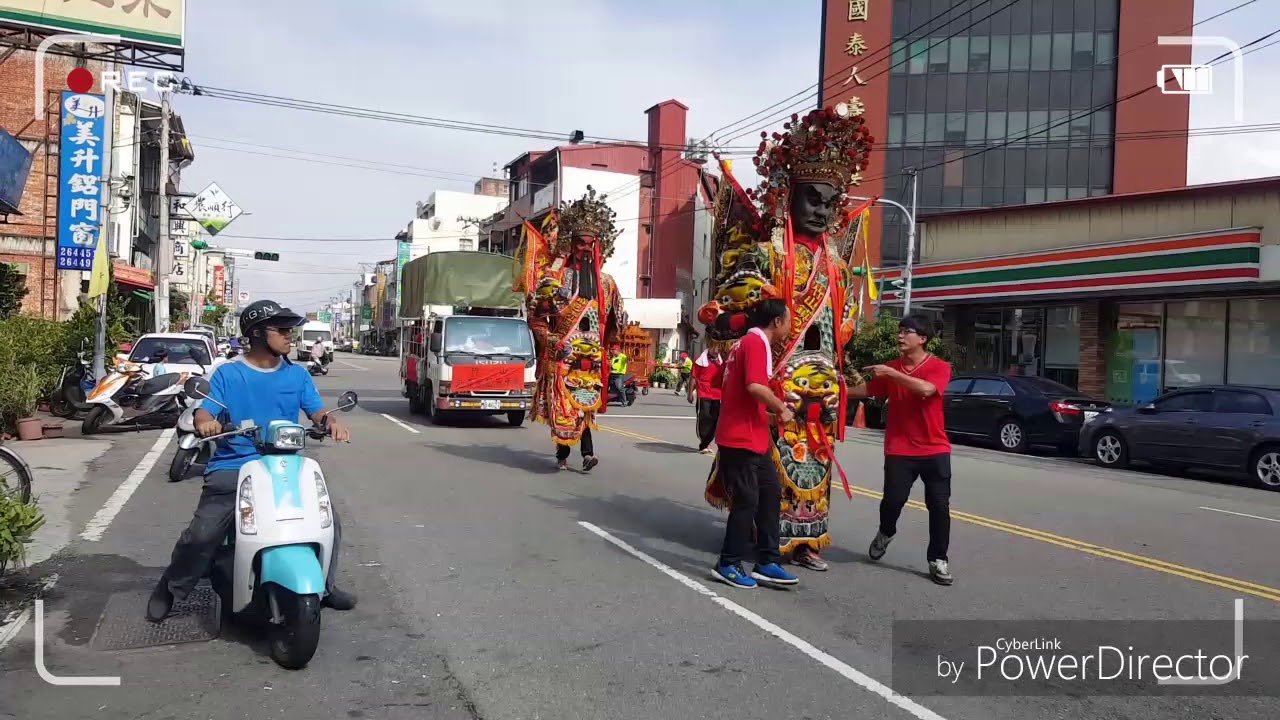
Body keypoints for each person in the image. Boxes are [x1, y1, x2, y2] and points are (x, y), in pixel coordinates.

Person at [698, 103, 873, 572]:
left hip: (819, 380)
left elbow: (841, 325)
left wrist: (845, 374)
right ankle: (763, 537)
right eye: (812, 198)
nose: (822, 210)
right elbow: (735, 313)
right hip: (776, 382)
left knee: (814, 462)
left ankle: (807, 540)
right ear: (789, 196)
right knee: (774, 469)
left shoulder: (836, 264)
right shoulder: (767, 253)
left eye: (830, 202)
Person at [146, 300, 357, 622]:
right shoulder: (229, 374)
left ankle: (325, 587)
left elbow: (316, 410)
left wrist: (331, 422)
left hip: (285, 464)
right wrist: (206, 422)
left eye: (291, 330)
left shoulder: (297, 375)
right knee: (203, 534)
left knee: (329, 520)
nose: (291, 337)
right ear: (258, 333)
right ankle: (172, 587)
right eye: (283, 331)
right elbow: (207, 409)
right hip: (234, 466)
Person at [522, 187, 627, 472]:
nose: (584, 249)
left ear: (597, 246)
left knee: (584, 406)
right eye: (579, 243)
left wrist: (613, 346)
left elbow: (618, 320)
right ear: (571, 244)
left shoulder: (607, 283)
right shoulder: (556, 277)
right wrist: (550, 339)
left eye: (589, 244)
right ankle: (562, 454)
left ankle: (586, 454)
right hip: (561, 353)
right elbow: (536, 317)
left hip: (590, 357)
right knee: (564, 407)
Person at [847, 313, 954, 586]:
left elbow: (927, 390)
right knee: (892, 501)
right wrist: (833, 387)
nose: (900, 336)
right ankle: (886, 532)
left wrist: (892, 373)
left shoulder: (939, 367)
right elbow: (869, 390)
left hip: (935, 448)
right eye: (899, 331)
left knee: (939, 506)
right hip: (900, 449)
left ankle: (938, 559)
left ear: (923, 339)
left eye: (907, 332)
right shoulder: (892, 367)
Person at [708, 298, 799, 589]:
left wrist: (769, 416)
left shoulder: (743, 344)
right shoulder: (756, 343)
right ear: (776, 322)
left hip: (753, 435)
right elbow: (755, 386)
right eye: (788, 319)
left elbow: (736, 389)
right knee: (748, 499)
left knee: (770, 494)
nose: (790, 325)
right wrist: (781, 408)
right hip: (740, 437)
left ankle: (767, 561)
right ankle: (728, 562)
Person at [690, 347, 724, 455]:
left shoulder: (722, 361)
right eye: (713, 348)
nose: (716, 350)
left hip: (717, 394)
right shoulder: (700, 360)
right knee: (704, 418)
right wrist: (690, 393)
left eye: (717, 348)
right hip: (703, 393)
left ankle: (707, 441)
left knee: (715, 419)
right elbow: (694, 377)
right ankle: (703, 444)